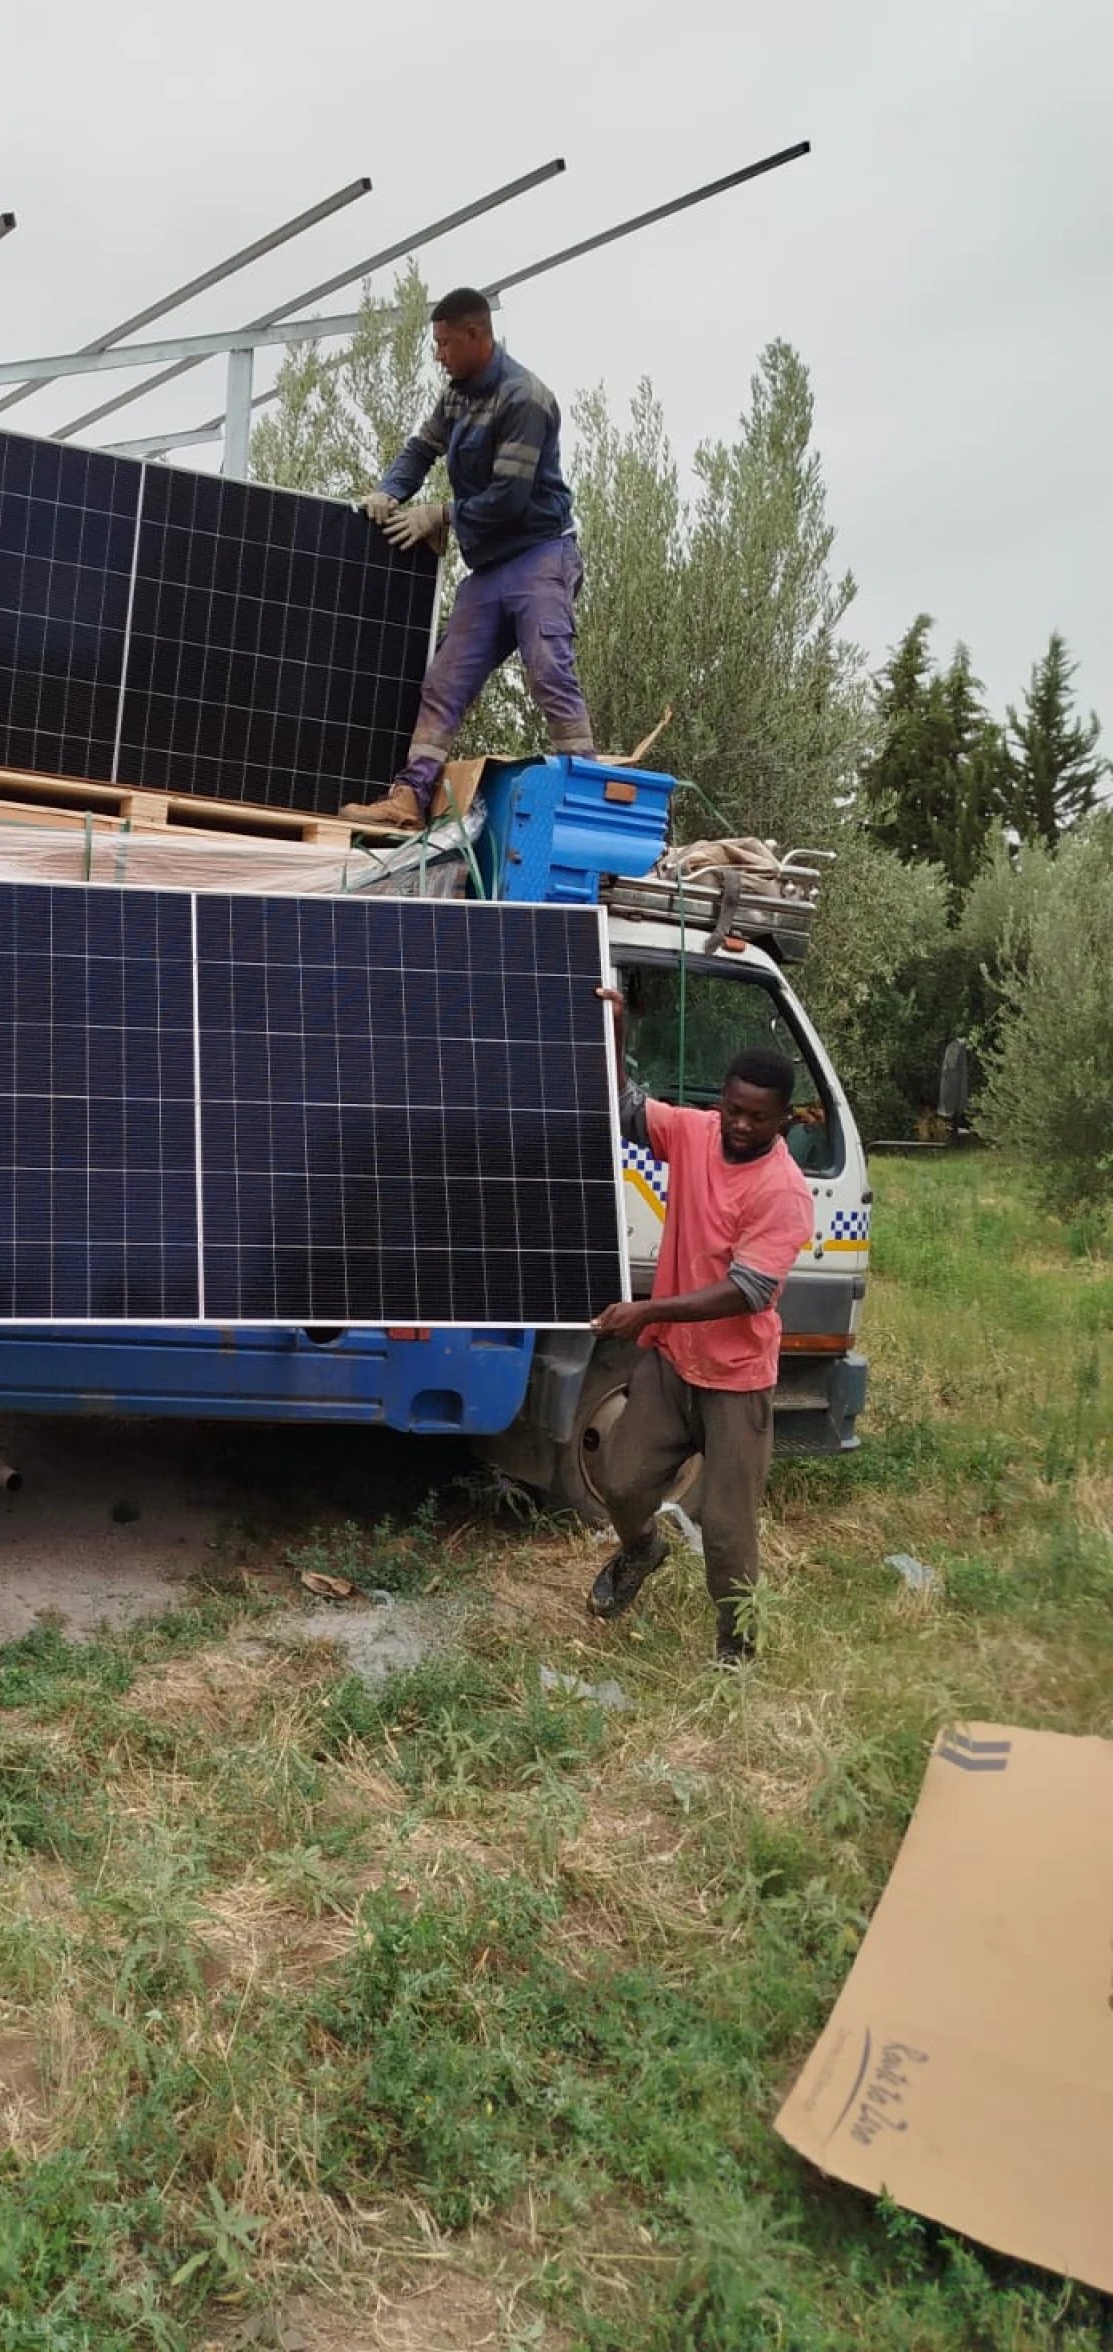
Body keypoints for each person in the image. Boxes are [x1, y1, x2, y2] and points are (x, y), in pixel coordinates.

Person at [583, 987, 814, 1665]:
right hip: (672, 1361)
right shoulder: (694, 1131)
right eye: (734, 1110)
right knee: (622, 1483)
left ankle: (736, 1648)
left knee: (728, 1528)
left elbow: (748, 1291)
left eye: (758, 1118)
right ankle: (642, 1550)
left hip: (736, 1379)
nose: (740, 1126)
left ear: (784, 1119)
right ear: (722, 1101)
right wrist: (615, 1028)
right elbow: (624, 1107)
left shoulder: (784, 1191)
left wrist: (647, 1309)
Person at [342, 288, 594, 830]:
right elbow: (421, 448)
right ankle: (408, 797)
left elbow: (509, 496)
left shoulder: (525, 398)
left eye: (445, 344)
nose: (438, 356)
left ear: (477, 336)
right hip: (489, 572)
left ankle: (583, 806)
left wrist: (439, 515)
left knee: (550, 672)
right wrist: (391, 491)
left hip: (540, 559)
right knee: (444, 682)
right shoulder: (458, 393)